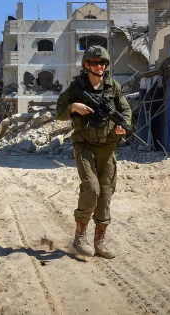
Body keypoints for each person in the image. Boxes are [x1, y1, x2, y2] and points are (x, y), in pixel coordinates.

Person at [56, 45, 131, 259]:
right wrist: (73, 107)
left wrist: (122, 128)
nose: (100, 67)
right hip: (85, 145)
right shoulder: (76, 87)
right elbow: (59, 112)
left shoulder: (113, 87)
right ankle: (80, 235)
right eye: (95, 63)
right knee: (91, 187)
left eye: (103, 63)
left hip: (108, 145)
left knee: (106, 192)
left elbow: (125, 111)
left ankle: (100, 239)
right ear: (86, 65)